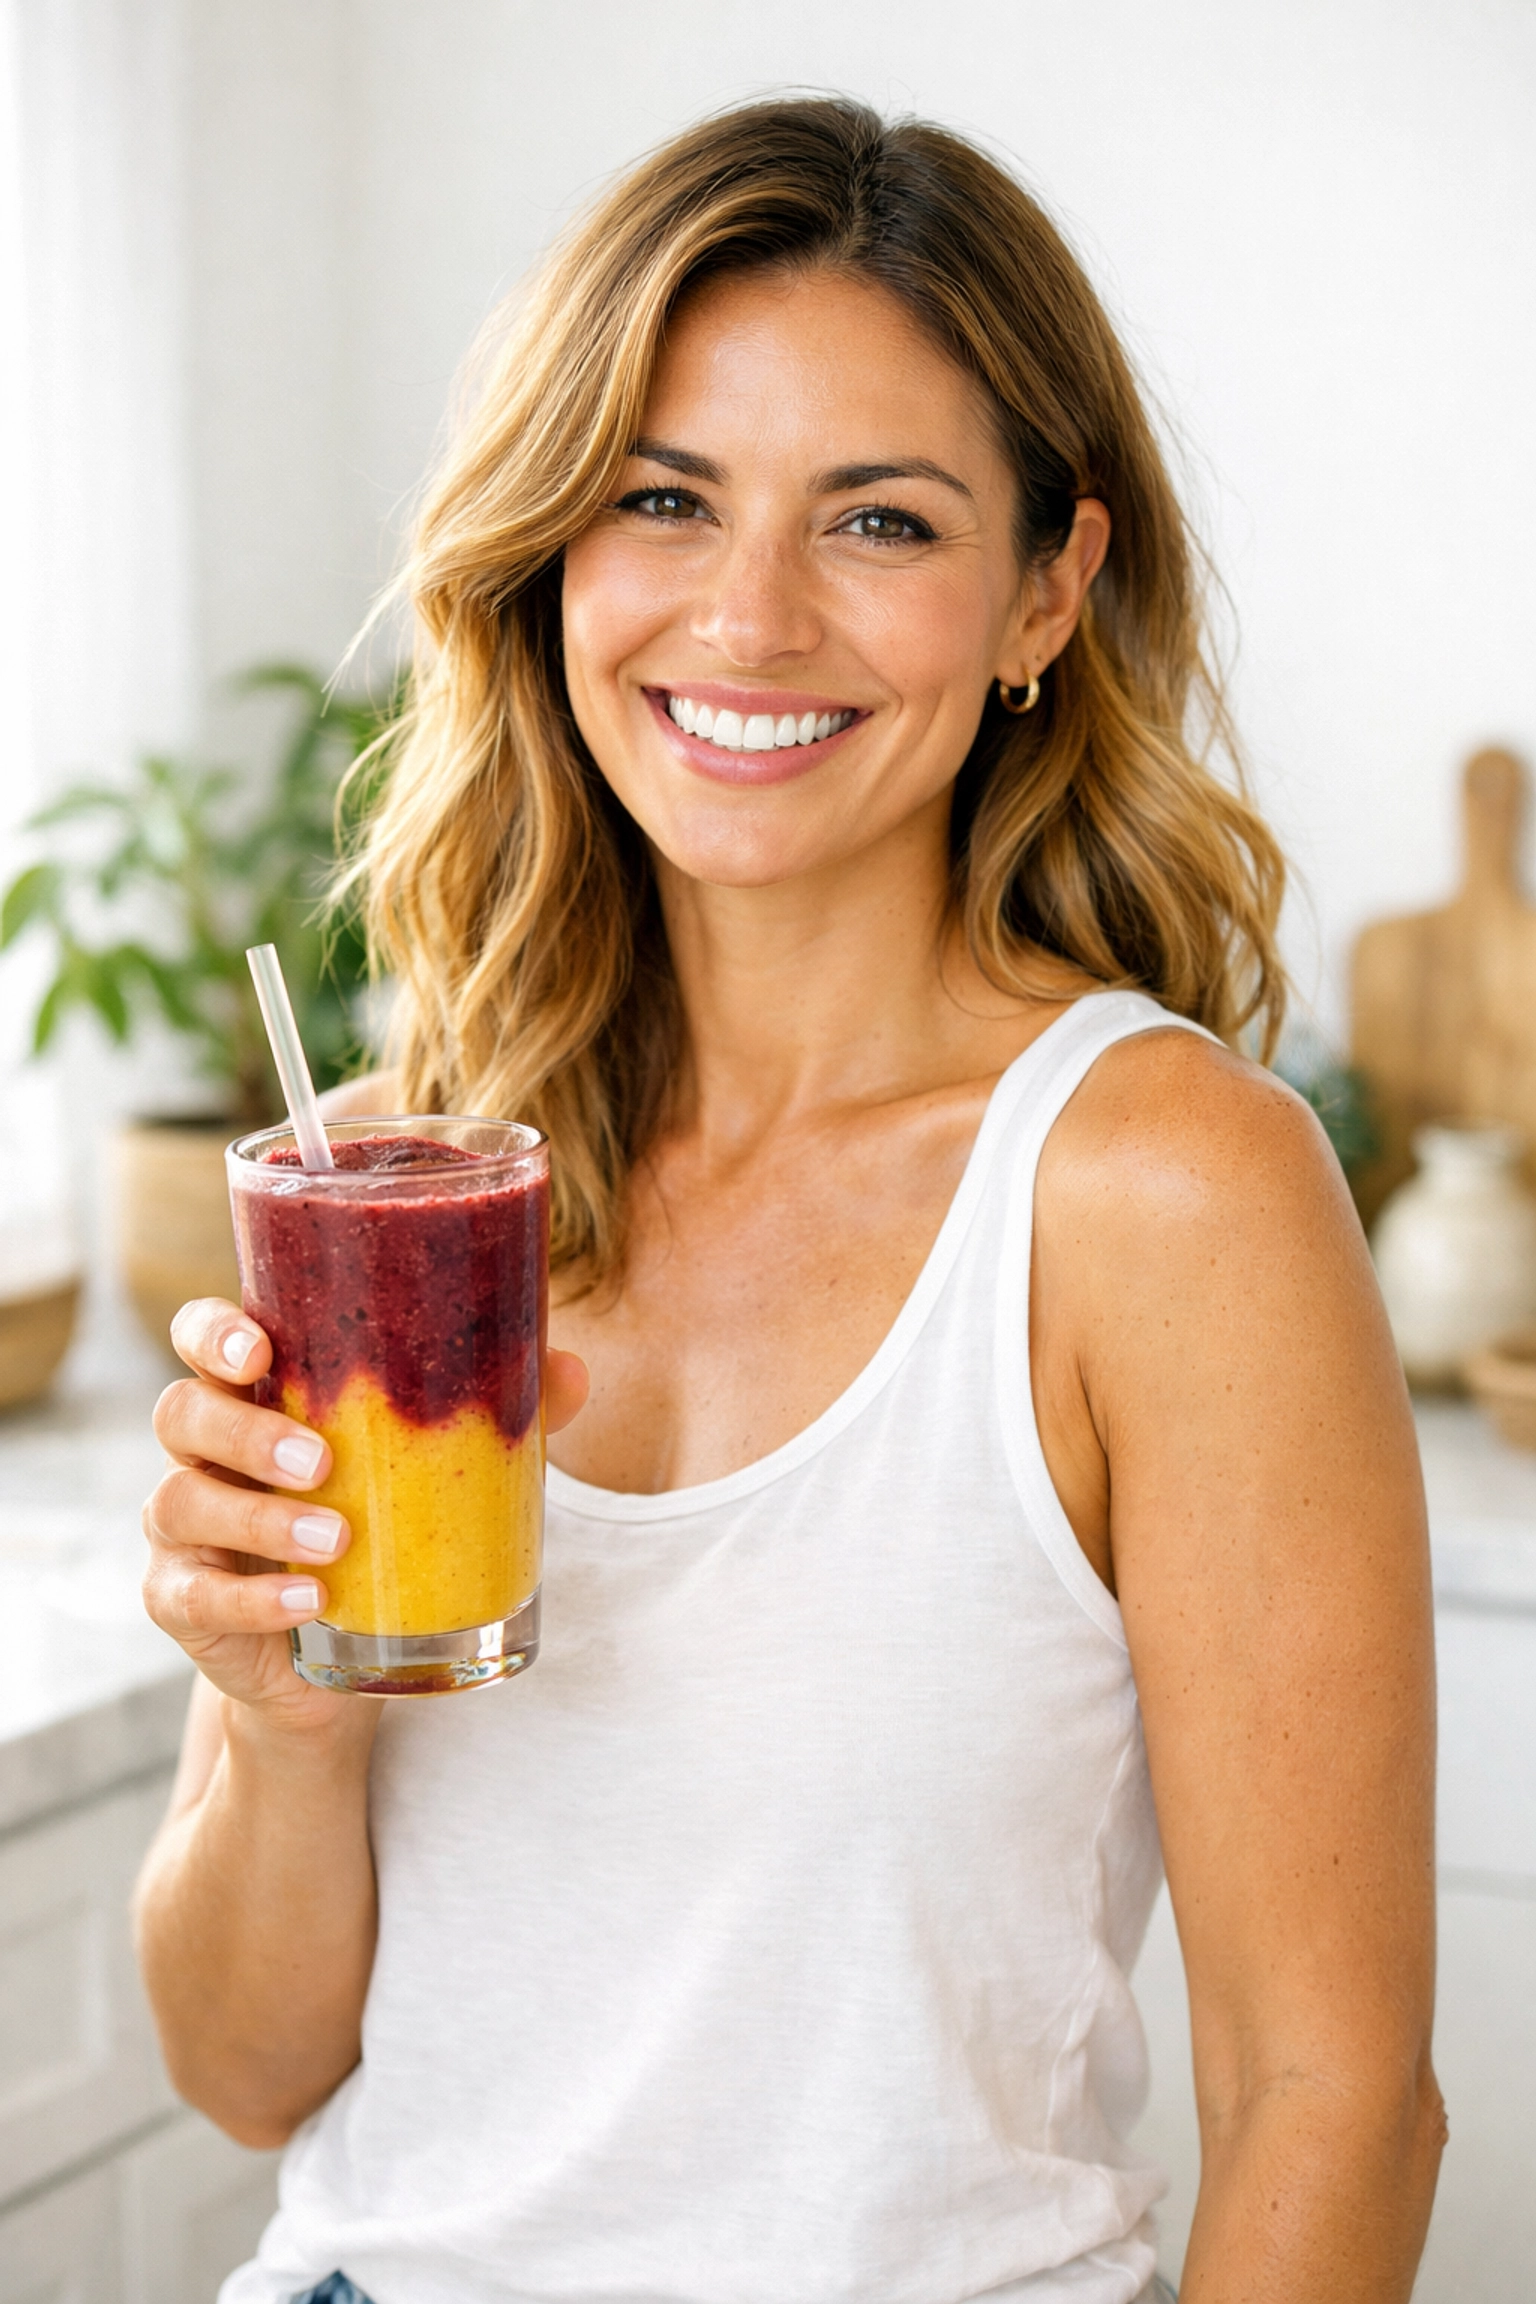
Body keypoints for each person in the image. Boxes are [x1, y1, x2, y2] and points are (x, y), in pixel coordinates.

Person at [134, 97, 1443, 2304]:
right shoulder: (397, 1182)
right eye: (663, 498)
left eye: (879, 521)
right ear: (554, 551)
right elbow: (246, 2075)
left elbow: (1336, 2096)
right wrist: (286, 1719)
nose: (747, 616)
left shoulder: (1160, 1193)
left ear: (1047, 590)